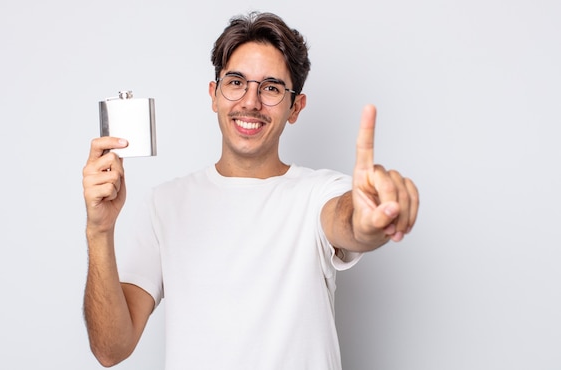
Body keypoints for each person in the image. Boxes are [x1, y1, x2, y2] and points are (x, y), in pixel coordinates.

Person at [82, 11, 419, 370]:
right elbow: (110, 349)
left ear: (295, 108)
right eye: (236, 82)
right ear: (214, 94)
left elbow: (347, 221)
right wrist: (99, 230)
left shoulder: (318, 192)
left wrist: (368, 219)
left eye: (271, 88)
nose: (250, 102)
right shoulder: (165, 203)